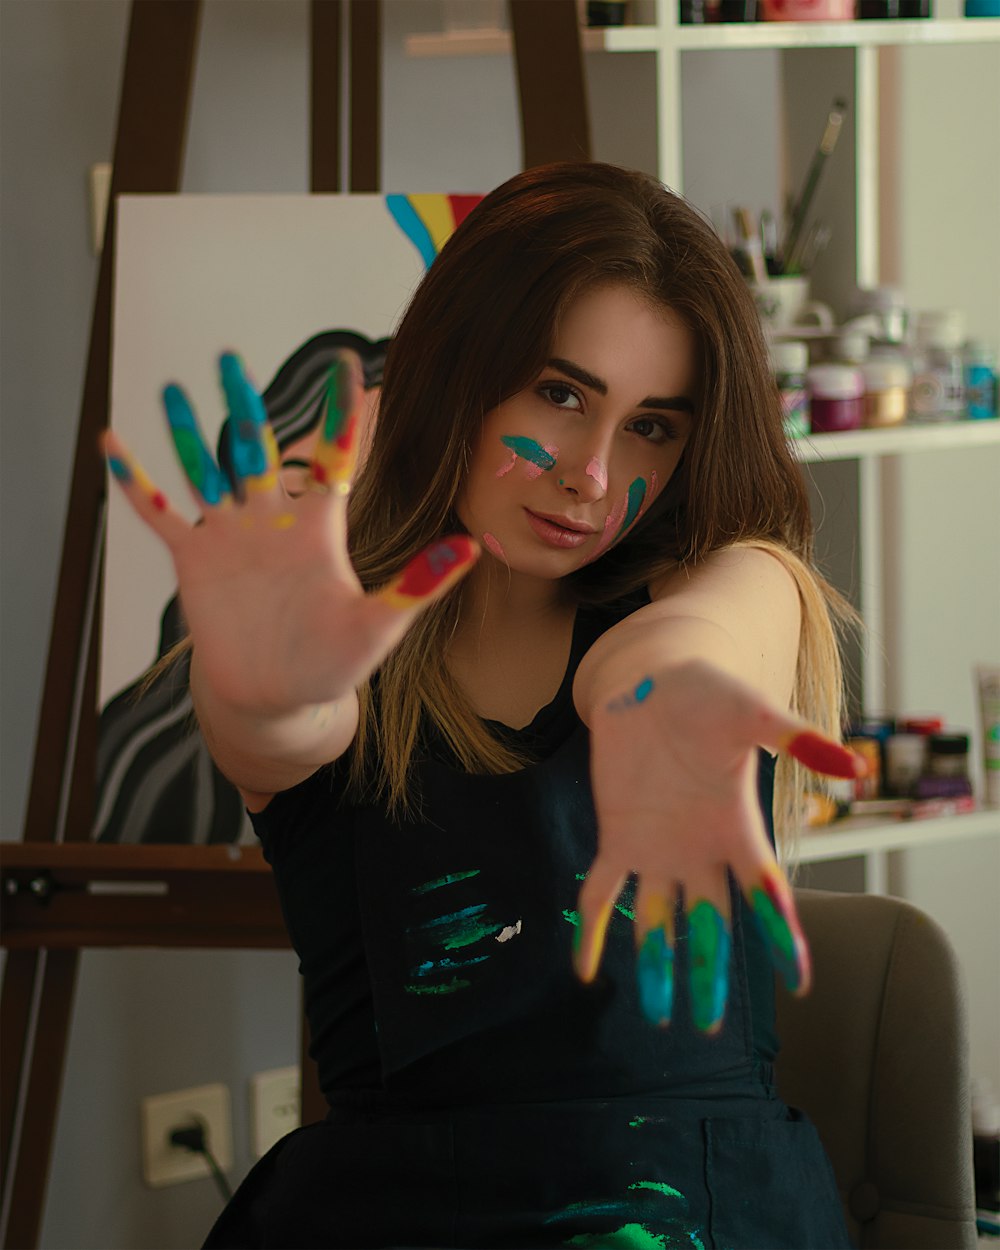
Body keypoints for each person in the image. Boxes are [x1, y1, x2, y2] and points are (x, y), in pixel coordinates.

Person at [105, 162, 861, 1250]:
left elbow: (686, 645)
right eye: (560, 395)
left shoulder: (736, 585)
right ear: (462, 371)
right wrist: (261, 686)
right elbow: (281, 727)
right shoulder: (331, 650)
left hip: (706, 1211)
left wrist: (667, 694)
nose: (593, 474)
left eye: (651, 426)